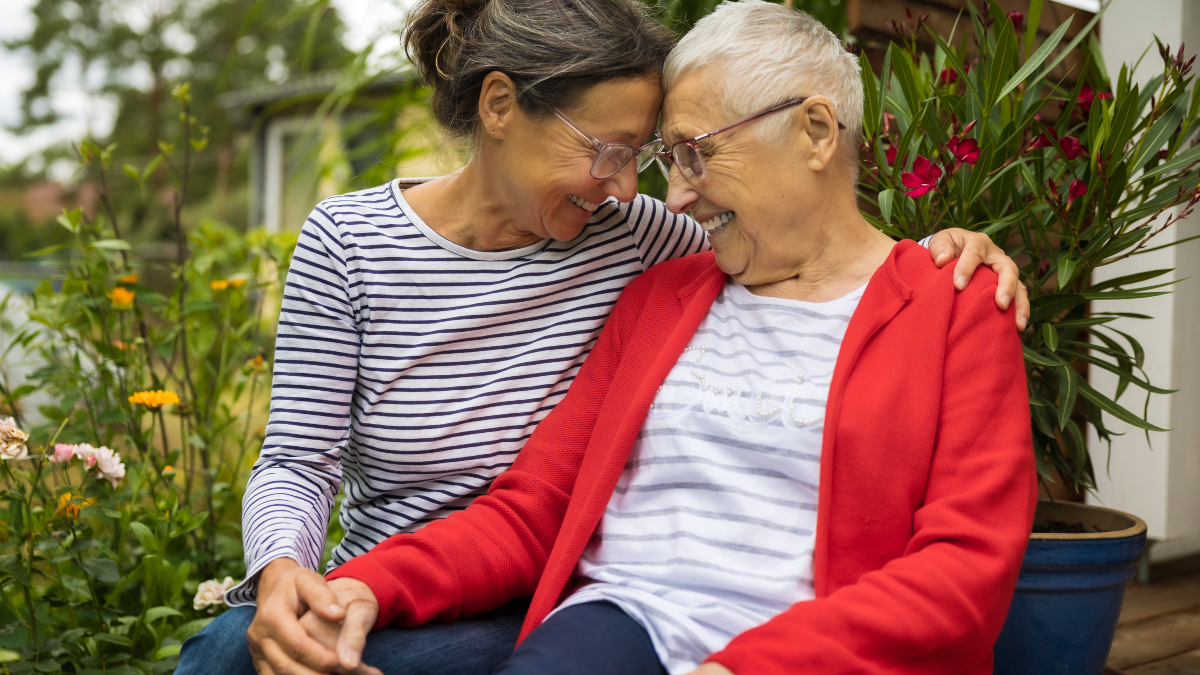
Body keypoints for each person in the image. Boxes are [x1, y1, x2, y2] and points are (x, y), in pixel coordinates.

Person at [174, 0, 1029, 672]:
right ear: (499, 106)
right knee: (228, 654)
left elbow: (962, 563)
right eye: (654, 157)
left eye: (685, 154)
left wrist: (952, 255)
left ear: (812, 130)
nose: (659, 193)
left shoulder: (940, 302)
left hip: (763, 636)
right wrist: (342, 577)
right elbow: (521, 503)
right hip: (588, 610)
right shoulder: (660, 283)